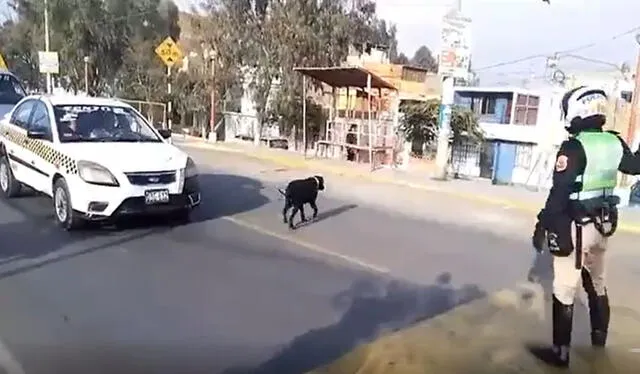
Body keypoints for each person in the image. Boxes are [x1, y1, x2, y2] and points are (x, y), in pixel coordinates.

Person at [531, 85, 640, 368]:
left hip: (577, 227)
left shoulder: (574, 146)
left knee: (564, 288)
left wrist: (543, 225)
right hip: (603, 227)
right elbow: (635, 165)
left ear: (578, 110)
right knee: (597, 284)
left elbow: (558, 193)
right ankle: (598, 340)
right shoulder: (614, 142)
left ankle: (560, 353)